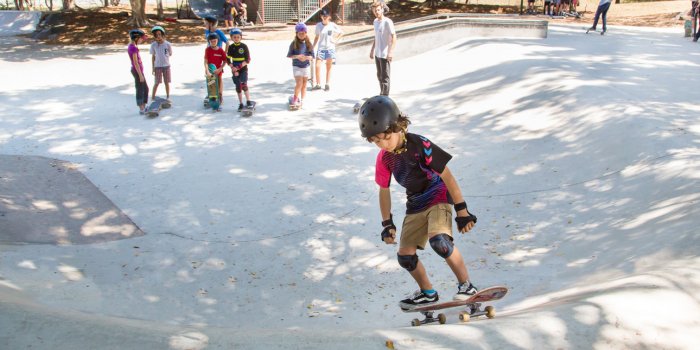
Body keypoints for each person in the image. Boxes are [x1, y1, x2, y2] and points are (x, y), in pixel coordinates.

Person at [358, 95, 479, 310]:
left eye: (383, 138)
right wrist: (387, 223)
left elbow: (447, 176)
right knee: (405, 257)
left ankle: (467, 286)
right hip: (415, 204)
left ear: (396, 127)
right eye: (375, 141)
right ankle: (427, 293)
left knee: (440, 241)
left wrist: (462, 210)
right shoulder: (384, 158)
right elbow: (383, 191)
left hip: (438, 195)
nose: (381, 145)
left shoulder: (420, 145)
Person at [312, 9, 344, 91]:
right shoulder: (318, 25)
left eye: (326, 16)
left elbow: (341, 32)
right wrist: (312, 47)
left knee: (328, 67)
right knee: (317, 66)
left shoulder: (332, 25)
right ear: (321, 16)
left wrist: (335, 40)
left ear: (329, 17)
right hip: (321, 48)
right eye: (323, 16)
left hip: (330, 48)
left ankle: (327, 83)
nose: (324, 17)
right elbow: (316, 37)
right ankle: (318, 84)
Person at [369, 1, 396, 96]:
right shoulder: (375, 22)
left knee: (385, 77)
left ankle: (385, 97)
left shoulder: (388, 22)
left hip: (385, 54)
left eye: (378, 10)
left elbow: (394, 37)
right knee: (379, 75)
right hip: (377, 53)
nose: (376, 12)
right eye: (374, 11)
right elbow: (376, 37)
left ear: (382, 10)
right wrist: (372, 50)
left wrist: (390, 52)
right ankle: (382, 94)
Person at [286, 22, 314, 109]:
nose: (301, 35)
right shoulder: (293, 43)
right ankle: (295, 98)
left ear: (306, 33)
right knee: (299, 83)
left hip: (305, 66)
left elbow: (312, 56)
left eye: (303, 33)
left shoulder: (309, 43)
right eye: (300, 33)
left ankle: (302, 100)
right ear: (296, 34)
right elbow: (289, 55)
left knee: (304, 84)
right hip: (297, 66)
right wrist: (297, 56)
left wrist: (307, 58)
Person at [226, 28, 253, 111]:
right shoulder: (231, 47)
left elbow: (248, 60)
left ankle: (248, 101)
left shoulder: (244, 46)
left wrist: (238, 68)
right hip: (234, 69)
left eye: (238, 37)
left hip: (243, 69)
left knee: (244, 85)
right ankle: (241, 103)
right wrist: (232, 66)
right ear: (231, 38)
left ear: (241, 37)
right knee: (238, 87)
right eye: (234, 37)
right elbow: (228, 59)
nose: (236, 38)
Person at [127, 29, 149, 115]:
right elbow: (135, 63)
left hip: (138, 71)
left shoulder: (132, 46)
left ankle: (143, 106)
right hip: (137, 71)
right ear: (136, 38)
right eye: (141, 39)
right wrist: (140, 75)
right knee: (140, 89)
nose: (142, 40)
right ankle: (142, 109)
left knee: (145, 88)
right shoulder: (133, 48)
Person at [149, 26, 173, 102]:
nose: (158, 37)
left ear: (163, 35)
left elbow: (170, 53)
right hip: (157, 66)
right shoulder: (153, 45)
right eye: (156, 35)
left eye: (160, 34)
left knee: (166, 82)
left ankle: (168, 96)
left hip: (166, 66)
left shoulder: (167, 44)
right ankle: (152, 97)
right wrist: (153, 68)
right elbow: (153, 56)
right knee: (156, 82)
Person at [204, 33, 227, 110]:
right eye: (211, 41)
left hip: (218, 70)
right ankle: (211, 97)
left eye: (215, 41)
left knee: (219, 82)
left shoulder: (220, 50)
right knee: (211, 84)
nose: (213, 42)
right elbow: (205, 61)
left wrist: (220, 68)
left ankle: (220, 96)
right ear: (209, 42)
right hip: (210, 71)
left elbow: (225, 61)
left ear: (217, 41)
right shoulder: (207, 50)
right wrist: (207, 71)